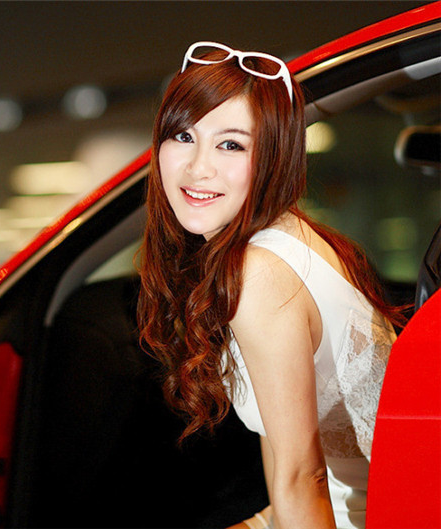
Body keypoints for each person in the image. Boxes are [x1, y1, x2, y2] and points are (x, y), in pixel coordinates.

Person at [137, 42, 404, 529]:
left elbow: (304, 478)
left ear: (272, 157)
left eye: (231, 144)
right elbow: (288, 464)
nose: (197, 167)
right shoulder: (286, 234)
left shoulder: (260, 272)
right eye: (183, 135)